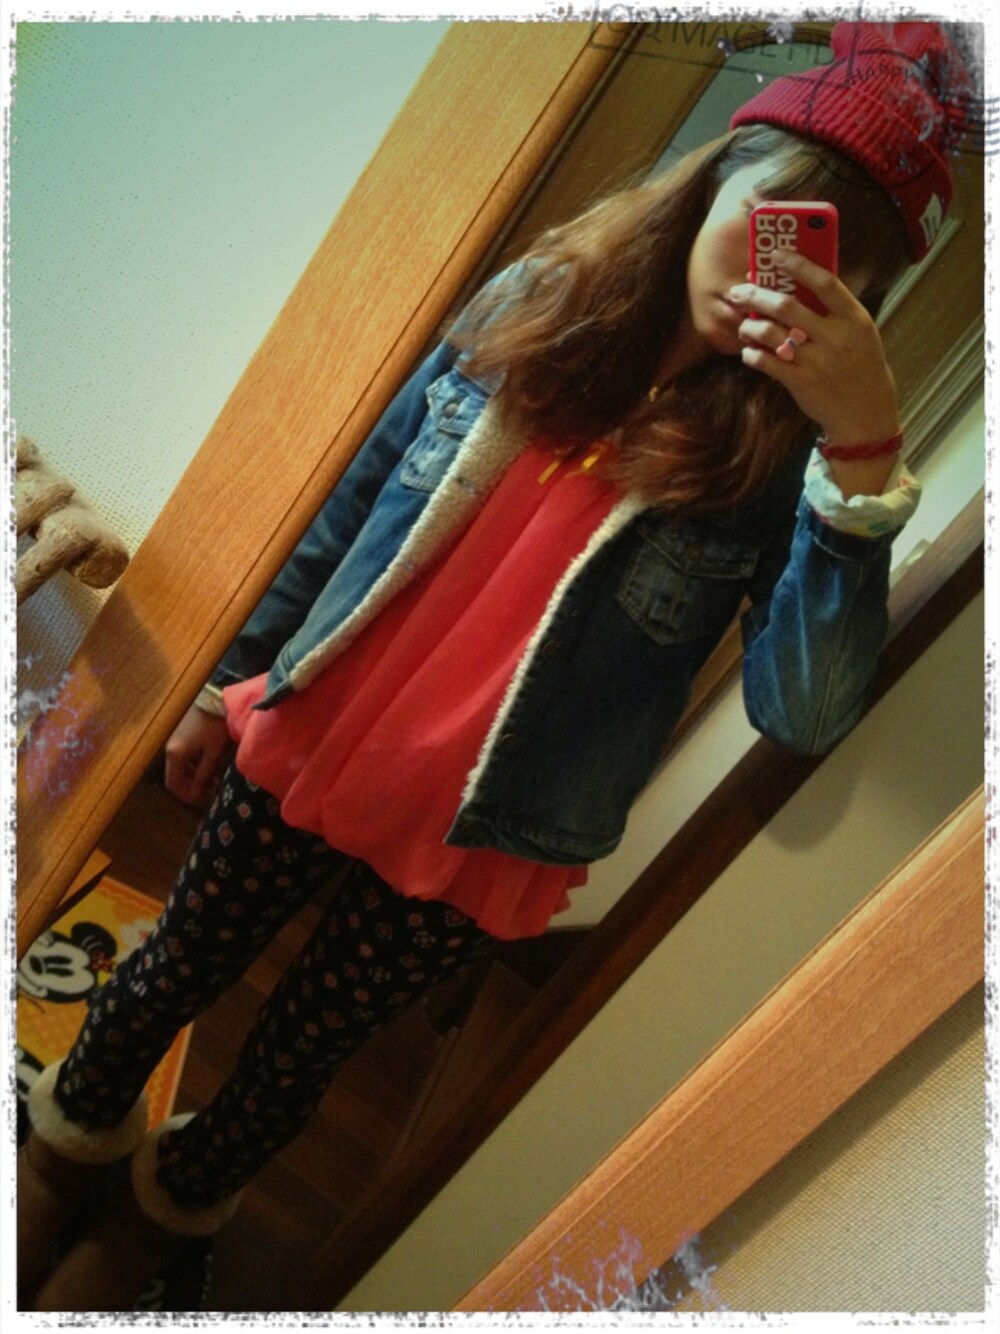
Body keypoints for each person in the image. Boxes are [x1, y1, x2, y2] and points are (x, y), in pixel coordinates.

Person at [18, 20, 972, 1311]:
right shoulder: (539, 298)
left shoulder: (784, 468)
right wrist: (224, 678)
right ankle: (63, 1146)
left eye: (841, 270)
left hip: (481, 844)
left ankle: (164, 1210)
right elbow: (353, 502)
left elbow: (801, 713)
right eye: (783, 226)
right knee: (171, 963)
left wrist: (861, 461)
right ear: (717, 181)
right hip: (319, 730)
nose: (790, 279)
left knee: (295, 1063)